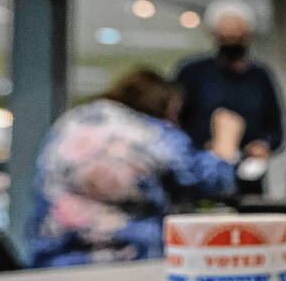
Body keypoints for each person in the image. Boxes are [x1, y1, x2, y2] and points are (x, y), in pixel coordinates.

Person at [27, 68, 243, 267]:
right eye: (174, 114)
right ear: (159, 105)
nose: (175, 124)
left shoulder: (73, 120)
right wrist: (226, 145)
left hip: (51, 261)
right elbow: (209, 180)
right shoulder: (147, 132)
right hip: (124, 265)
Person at [175, 0, 286, 160]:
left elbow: (276, 130)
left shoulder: (260, 76)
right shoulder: (193, 73)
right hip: (201, 163)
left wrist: (263, 145)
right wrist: (204, 145)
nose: (232, 43)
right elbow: (175, 121)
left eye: (238, 37)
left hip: (248, 166)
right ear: (214, 36)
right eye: (226, 38)